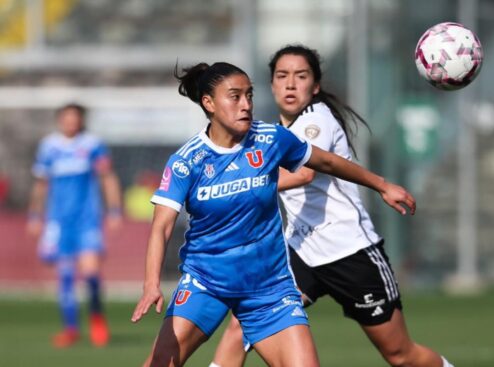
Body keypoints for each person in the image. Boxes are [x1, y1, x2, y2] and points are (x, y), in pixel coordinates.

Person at [130, 61, 415, 367]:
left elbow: (327, 163)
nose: (246, 105)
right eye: (235, 96)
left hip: (269, 288)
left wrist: (382, 185)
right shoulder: (187, 162)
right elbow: (161, 227)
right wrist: (151, 284)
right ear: (209, 103)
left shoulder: (270, 139)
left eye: (249, 95)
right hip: (206, 282)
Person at [210, 45, 454, 367]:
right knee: (243, 325)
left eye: (301, 76)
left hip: (350, 254)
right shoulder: (274, 133)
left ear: (315, 86)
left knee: (400, 355)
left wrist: (230, 187)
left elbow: (304, 173)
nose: (291, 84)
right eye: (282, 76)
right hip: (301, 252)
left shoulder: (316, 120)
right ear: (271, 85)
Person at [26, 103, 122, 348]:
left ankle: (97, 320)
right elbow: (41, 184)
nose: (71, 122)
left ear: (81, 120)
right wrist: (35, 215)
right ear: (60, 120)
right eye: (67, 118)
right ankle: (70, 329)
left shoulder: (92, 145)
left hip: (87, 219)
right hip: (58, 221)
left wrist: (114, 210)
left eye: (75, 118)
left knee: (90, 273)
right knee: (65, 275)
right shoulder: (49, 146)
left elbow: (108, 177)